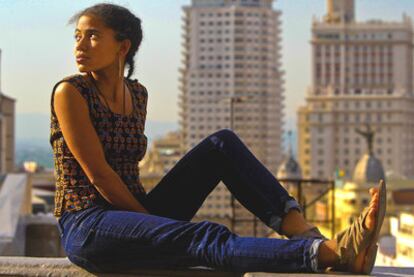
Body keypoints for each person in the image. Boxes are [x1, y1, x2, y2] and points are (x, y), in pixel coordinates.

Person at [50, 3, 385, 274]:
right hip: (89, 225)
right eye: (77, 36)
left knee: (221, 145)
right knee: (205, 236)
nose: (79, 45)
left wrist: (151, 224)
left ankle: (305, 232)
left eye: (92, 36)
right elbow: (100, 175)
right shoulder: (71, 92)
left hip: (137, 213)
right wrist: (156, 228)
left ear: (123, 46)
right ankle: (328, 252)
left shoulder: (136, 94)